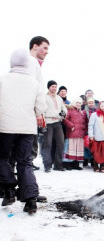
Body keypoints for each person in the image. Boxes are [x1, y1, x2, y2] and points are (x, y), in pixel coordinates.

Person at [0, 49, 47, 213]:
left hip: (5, 127)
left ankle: (9, 188)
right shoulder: (34, 82)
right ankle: (30, 200)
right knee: (25, 162)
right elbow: (41, 107)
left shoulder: (2, 79)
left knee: (2, 158)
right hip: (27, 129)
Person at [28, 36, 50, 171]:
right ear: (35, 46)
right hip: (29, 112)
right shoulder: (31, 62)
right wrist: (38, 112)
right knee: (27, 148)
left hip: (32, 111)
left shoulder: (34, 63)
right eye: (45, 48)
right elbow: (32, 89)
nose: (47, 52)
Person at [42, 80, 68, 172]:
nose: (54, 88)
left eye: (55, 86)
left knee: (60, 143)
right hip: (48, 122)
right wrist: (43, 123)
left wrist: (64, 112)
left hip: (57, 122)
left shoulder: (59, 98)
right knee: (48, 144)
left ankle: (58, 164)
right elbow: (42, 110)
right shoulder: (44, 97)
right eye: (52, 86)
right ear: (48, 87)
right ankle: (47, 165)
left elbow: (63, 108)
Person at [62, 97, 87, 170]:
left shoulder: (81, 112)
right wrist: (71, 125)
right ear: (73, 103)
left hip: (80, 134)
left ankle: (75, 164)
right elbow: (65, 119)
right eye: (77, 102)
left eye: (80, 103)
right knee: (70, 148)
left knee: (77, 149)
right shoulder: (69, 110)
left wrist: (84, 131)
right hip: (72, 133)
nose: (78, 104)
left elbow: (84, 122)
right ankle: (67, 164)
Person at [88, 101, 104, 173]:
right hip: (96, 136)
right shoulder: (94, 115)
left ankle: (102, 166)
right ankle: (95, 166)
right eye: (102, 106)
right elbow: (91, 125)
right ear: (99, 106)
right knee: (96, 152)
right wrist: (91, 135)